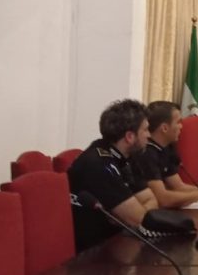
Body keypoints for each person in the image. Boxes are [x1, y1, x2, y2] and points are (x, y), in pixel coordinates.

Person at [68, 99, 159, 252]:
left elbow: (152, 201)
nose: (149, 135)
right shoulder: (99, 164)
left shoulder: (127, 157)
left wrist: (130, 214)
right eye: (145, 130)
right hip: (93, 253)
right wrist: (135, 213)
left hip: (118, 242)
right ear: (130, 136)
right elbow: (139, 220)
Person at [133, 100, 198, 208]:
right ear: (164, 128)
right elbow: (163, 199)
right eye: (178, 122)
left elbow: (179, 187)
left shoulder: (166, 148)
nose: (181, 126)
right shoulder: (146, 153)